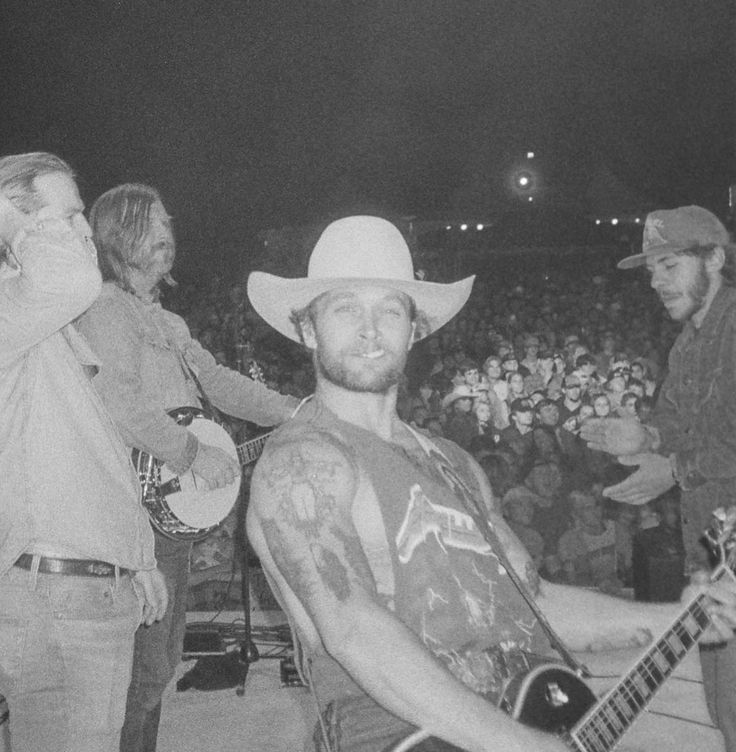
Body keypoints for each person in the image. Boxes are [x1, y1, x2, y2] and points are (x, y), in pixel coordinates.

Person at [245, 215, 736, 752]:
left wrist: (682, 617)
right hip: (410, 734)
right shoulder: (303, 458)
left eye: (389, 310)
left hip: (525, 707)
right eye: (346, 309)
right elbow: (353, 630)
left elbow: (536, 603)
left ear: (415, 328)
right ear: (308, 329)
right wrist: (524, 745)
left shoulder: (454, 462)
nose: (370, 329)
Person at [75, 183, 300, 752]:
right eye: (151, 226)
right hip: (131, 512)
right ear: (115, 237)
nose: (166, 237)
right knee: (142, 668)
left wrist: (295, 411)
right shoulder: (104, 308)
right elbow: (119, 402)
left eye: (169, 225)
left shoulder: (169, 323)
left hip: (168, 514)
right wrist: (194, 454)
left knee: (157, 665)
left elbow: (219, 383)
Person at [0, 153, 167, 752]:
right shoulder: (9, 308)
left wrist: (137, 555)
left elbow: (90, 455)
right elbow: (71, 278)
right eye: (68, 218)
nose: (84, 234)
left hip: (78, 586)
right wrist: (13, 217)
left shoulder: (38, 324)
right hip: (60, 595)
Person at [580, 205, 736, 751]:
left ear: (714, 259)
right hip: (713, 560)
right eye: (651, 271)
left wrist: (673, 468)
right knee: (725, 711)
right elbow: (674, 427)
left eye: (669, 265)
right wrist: (643, 438)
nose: (657, 281)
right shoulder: (686, 346)